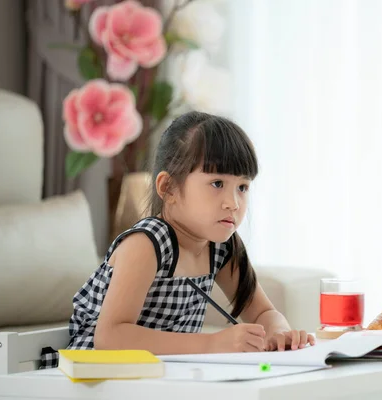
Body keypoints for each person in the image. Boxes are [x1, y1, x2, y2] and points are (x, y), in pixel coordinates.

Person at [40, 111, 315, 369]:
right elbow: (110, 338)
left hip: (164, 378)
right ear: (168, 188)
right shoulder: (147, 243)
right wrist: (212, 343)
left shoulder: (223, 247)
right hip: (96, 378)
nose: (233, 203)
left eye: (242, 187)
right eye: (217, 184)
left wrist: (280, 334)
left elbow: (262, 312)